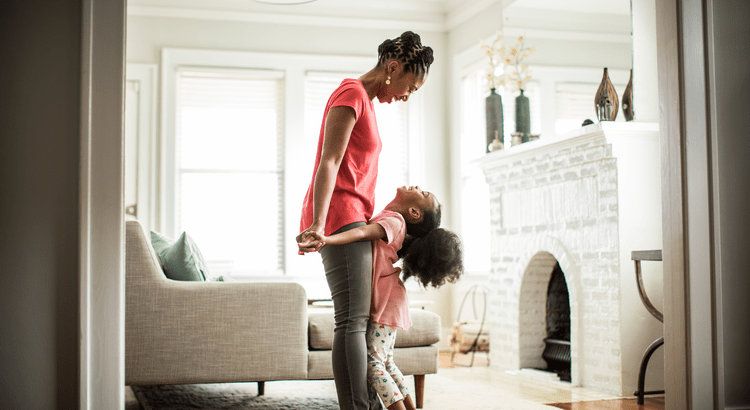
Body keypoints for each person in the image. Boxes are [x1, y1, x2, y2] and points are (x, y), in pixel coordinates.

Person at [296, 31, 434, 410]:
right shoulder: (352, 93)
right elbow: (329, 160)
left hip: (352, 216)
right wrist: (318, 224)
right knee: (352, 321)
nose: (408, 95)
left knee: (356, 320)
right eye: (412, 86)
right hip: (340, 216)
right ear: (393, 68)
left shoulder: (365, 102)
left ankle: (364, 404)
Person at [301, 185, 464, 410]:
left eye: (424, 193)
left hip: (387, 301)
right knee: (385, 362)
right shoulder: (393, 220)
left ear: (415, 213)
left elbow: (360, 233)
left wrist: (326, 239)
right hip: (391, 300)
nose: (418, 187)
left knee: (373, 363)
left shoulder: (395, 221)